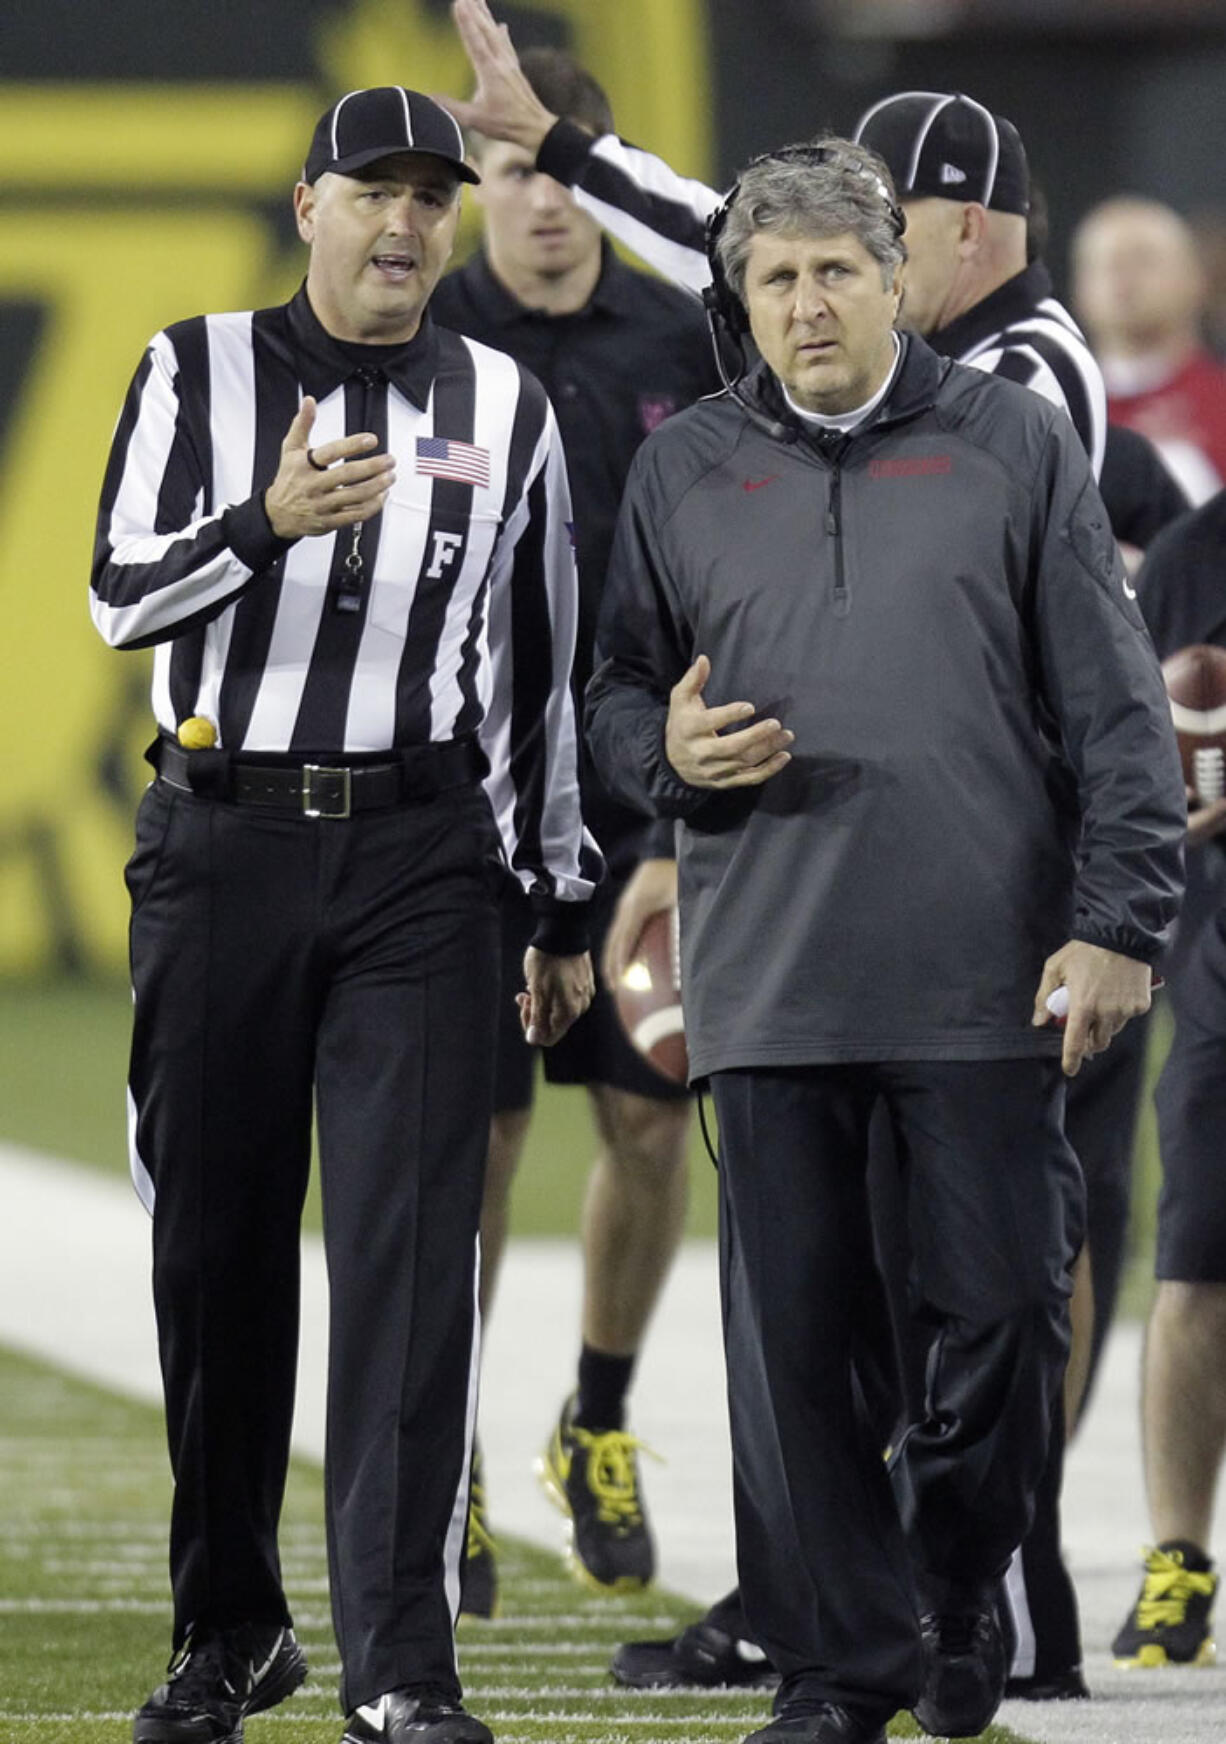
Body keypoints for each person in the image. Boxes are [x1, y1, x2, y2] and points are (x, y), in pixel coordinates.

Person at [442, 13, 1185, 1696]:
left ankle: (947, 1581)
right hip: (778, 967)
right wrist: (658, 767)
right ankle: (846, 1657)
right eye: (769, 280)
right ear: (750, 288)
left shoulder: (1015, 427)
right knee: (801, 1346)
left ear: (907, 263)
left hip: (988, 960)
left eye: (842, 268)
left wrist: (1116, 916)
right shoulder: (695, 462)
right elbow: (622, 683)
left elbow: (1115, 704)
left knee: (995, 1312)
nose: (801, 304)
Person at [90, 85, 599, 1744]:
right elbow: (116, 593)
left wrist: (557, 898)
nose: (402, 222)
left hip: (420, 858)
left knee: (405, 1256)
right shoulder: (193, 367)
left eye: (425, 199)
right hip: (222, 839)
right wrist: (264, 526)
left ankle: (401, 1660)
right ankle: (230, 1626)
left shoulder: (505, 400)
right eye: (368, 191)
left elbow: (533, 671)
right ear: (303, 206)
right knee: (216, 1252)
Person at [430, 46, 716, 1615]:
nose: (542, 197)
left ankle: (595, 1419)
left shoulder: (682, 337)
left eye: (565, 163)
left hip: (635, 804)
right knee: (468, 1139)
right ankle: (444, 1456)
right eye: (516, 165)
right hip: (461, 804)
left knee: (650, 1118)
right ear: (479, 179)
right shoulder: (420, 337)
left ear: (602, 171)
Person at [1112, 487, 1226, 1670]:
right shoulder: (1193, 556)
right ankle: (1175, 1560)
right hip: (1220, 957)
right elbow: (1127, 743)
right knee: (1194, 1262)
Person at [1071, 195, 1226, 506]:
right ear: (1079, 289)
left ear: (1196, 280)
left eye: (1144, 260)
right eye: (1108, 264)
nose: (1124, 278)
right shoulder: (1053, 409)